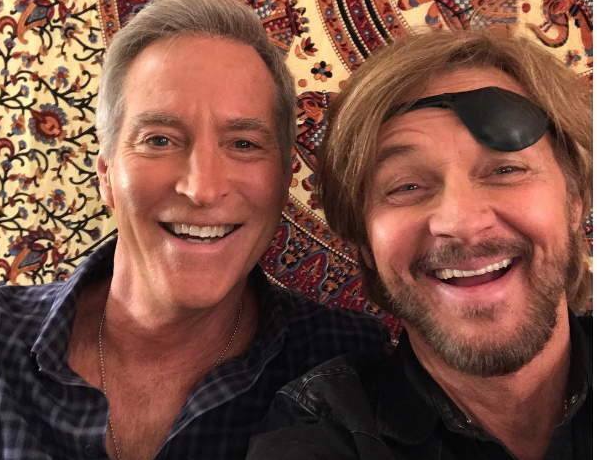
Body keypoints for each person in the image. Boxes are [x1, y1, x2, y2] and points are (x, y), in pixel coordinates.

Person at [0, 0, 392, 460]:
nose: (202, 189)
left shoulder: (349, 361)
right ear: (106, 175)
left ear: (285, 179)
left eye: (244, 144)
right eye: (160, 140)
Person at [247, 30, 593, 460]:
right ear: (364, 244)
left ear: (574, 202)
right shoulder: (325, 431)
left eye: (505, 170)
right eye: (406, 186)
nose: (462, 222)